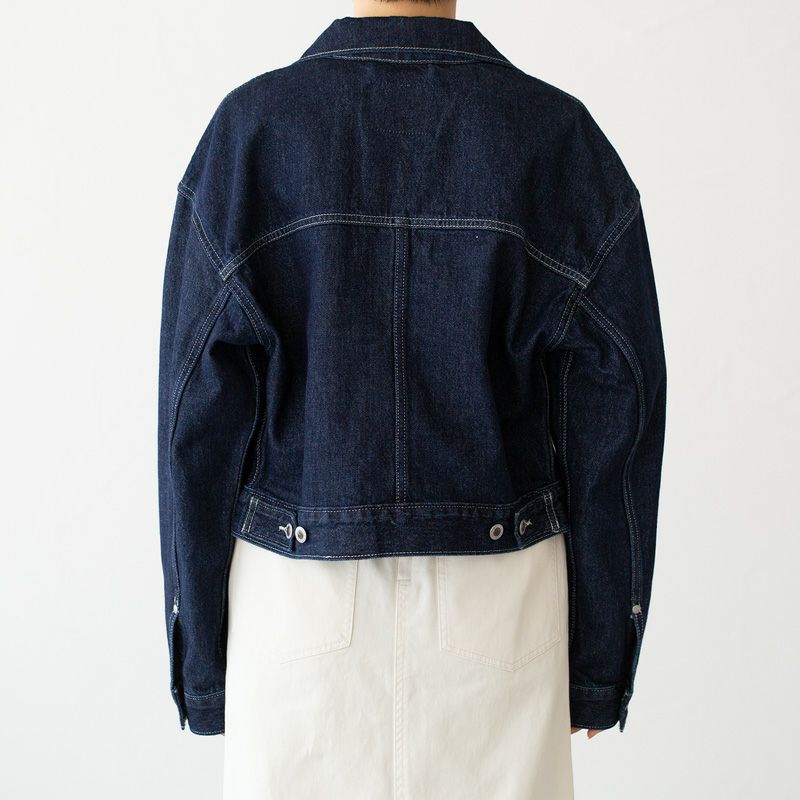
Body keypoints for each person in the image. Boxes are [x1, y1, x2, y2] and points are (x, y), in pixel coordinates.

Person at [157, 1, 667, 797]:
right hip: (499, 603)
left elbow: (197, 417)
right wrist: (600, 658)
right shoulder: (555, 137)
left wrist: (202, 665)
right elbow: (618, 403)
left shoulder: (250, 131)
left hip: (299, 605)